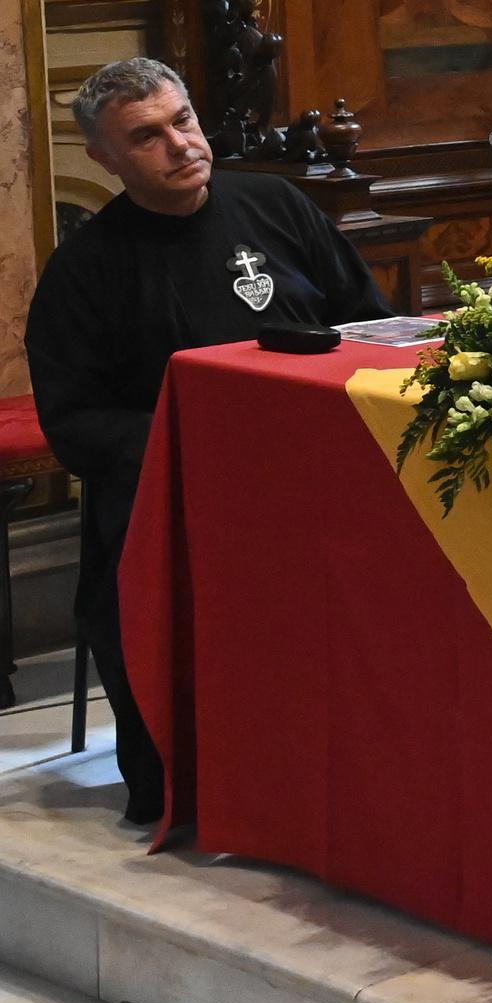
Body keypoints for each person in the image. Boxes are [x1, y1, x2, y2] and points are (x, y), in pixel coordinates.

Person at [25, 59, 390, 826]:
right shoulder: (85, 270)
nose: (181, 145)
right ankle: (200, 793)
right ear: (104, 158)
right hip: (175, 502)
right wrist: (204, 437)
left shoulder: (277, 205)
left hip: (316, 485)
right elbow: (75, 423)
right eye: (147, 136)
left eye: (183, 120)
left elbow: (370, 327)